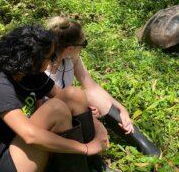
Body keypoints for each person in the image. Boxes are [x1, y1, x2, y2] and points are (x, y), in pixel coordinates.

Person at [0, 24, 109, 172]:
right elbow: (29, 135)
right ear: (32, 59)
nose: (53, 61)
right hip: (0, 159)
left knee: (72, 94)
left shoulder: (28, 72)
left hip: (20, 142)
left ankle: (91, 163)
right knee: (56, 109)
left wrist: (96, 125)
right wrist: (84, 148)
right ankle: (80, 164)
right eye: (50, 57)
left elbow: (66, 97)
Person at [45, 16, 161, 157]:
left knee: (92, 95)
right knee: (77, 103)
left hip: (71, 104)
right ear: (70, 48)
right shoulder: (43, 66)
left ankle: (138, 139)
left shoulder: (71, 57)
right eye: (84, 44)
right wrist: (85, 112)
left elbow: (90, 85)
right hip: (53, 115)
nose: (84, 47)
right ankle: (90, 155)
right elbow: (45, 105)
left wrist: (121, 108)